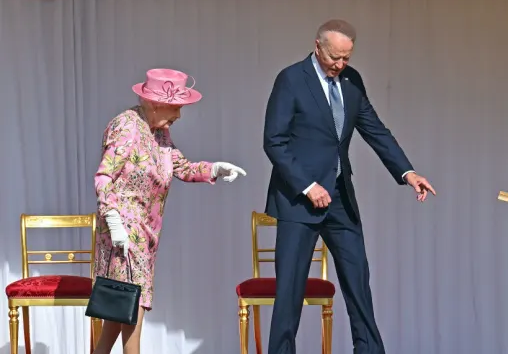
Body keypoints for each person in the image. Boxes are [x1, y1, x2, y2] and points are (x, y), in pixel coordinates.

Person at [263, 19, 437, 354]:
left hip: (340, 197)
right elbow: (274, 142)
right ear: (317, 47)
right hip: (299, 201)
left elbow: (375, 130)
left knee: (358, 281)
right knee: (290, 290)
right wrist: (307, 185)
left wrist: (407, 172)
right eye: (334, 58)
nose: (340, 65)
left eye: (347, 58)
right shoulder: (291, 80)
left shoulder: (351, 81)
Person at [91, 68, 246, 354]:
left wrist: (215, 169)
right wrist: (113, 221)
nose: (179, 115)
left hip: (145, 234)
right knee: (133, 309)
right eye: (176, 107)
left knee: (118, 311)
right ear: (155, 102)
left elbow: (182, 167)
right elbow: (104, 177)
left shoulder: (160, 133)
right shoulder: (126, 126)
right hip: (123, 234)